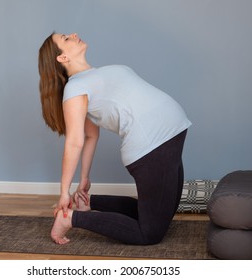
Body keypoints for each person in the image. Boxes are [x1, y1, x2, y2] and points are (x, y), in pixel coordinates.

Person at [38, 32, 191, 245]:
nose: (73, 35)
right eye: (65, 38)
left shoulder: (95, 75)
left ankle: (87, 203)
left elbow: (92, 135)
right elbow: (75, 141)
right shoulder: (74, 88)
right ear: (62, 58)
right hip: (151, 147)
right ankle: (70, 218)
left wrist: (84, 179)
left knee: (165, 211)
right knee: (150, 233)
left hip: (169, 137)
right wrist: (64, 191)